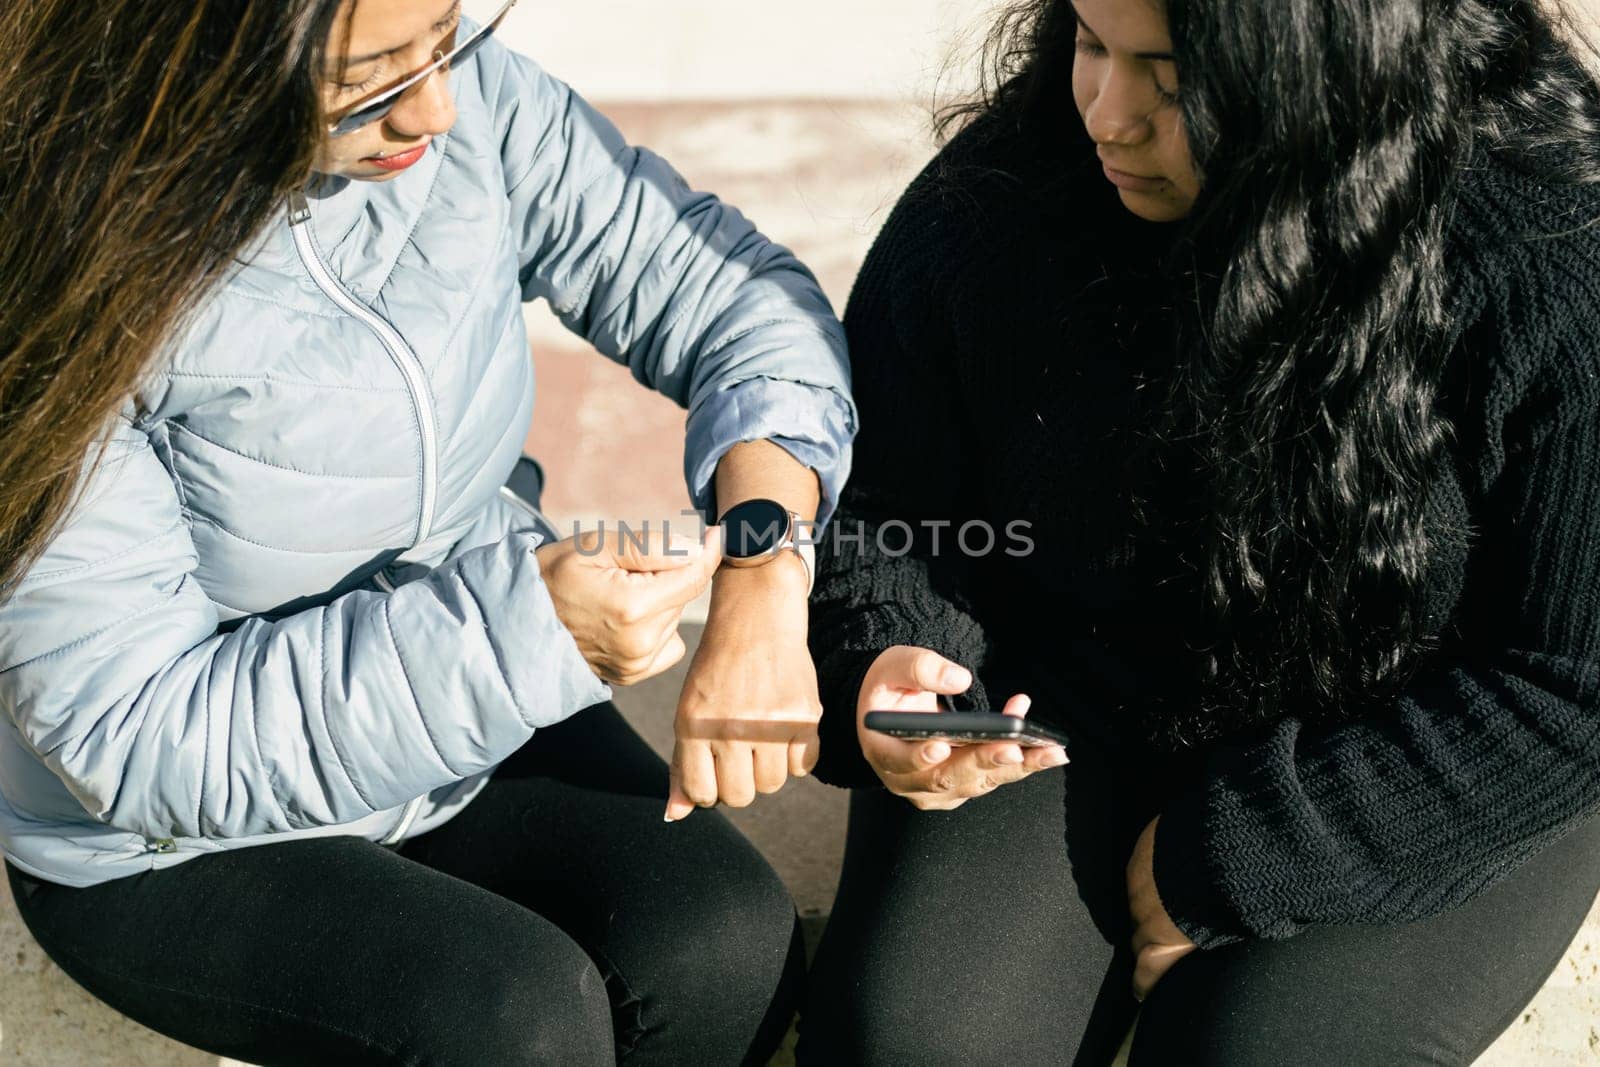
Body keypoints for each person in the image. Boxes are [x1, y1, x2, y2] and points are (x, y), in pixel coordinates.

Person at [0, 1, 856, 1063]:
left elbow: (734, 297)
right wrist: (537, 636)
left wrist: (764, 565)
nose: (438, 106)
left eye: (444, 36)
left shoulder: (473, 99)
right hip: (169, 834)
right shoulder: (41, 267)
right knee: (512, 1020)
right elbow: (133, 730)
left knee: (722, 941)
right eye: (373, 74)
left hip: (466, 718)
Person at [801, 0, 1600, 1062]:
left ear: (1333, 70)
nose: (1107, 113)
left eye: (1170, 77)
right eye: (1089, 42)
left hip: (1430, 730)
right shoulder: (1000, 199)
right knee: (907, 1043)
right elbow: (883, 499)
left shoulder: (1553, 249)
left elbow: (1571, 679)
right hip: (1081, 693)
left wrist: (1229, 854)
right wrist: (888, 643)